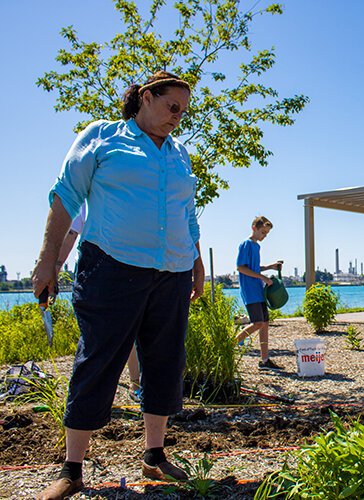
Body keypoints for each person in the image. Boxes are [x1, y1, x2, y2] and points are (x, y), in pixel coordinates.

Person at [32, 71, 204, 500]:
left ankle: (155, 455)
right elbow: (65, 196)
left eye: (183, 111)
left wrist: (197, 263)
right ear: (147, 97)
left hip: (173, 270)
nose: (177, 118)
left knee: (165, 361)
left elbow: (187, 214)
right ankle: (72, 470)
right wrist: (47, 261)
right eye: (172, 107)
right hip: (112, 266)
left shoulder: (179, 154)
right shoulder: (102, 137)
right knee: (99, 360)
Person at [58, 205, 143, 403]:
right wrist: (54, 264)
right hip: (104, 267)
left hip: (119, 266)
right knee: (105, 334)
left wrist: (55, 264)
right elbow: (72, 230)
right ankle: (97, 394)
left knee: (119, 332)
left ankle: (133, 384)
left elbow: (72, 231)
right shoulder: (84, 194)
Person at [235, 216, 283, 371]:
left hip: (258, 290)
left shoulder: (256, 246)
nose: (264, 236)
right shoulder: (246, 244)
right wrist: (263, 277)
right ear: (254, 228)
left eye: (266, 233)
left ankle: (264, 360)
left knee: (264, 324)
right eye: (263, 232)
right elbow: (241, 267)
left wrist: (269, 267)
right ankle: (229, 344)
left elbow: (254, 267)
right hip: (250, 290)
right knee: (258, 323)